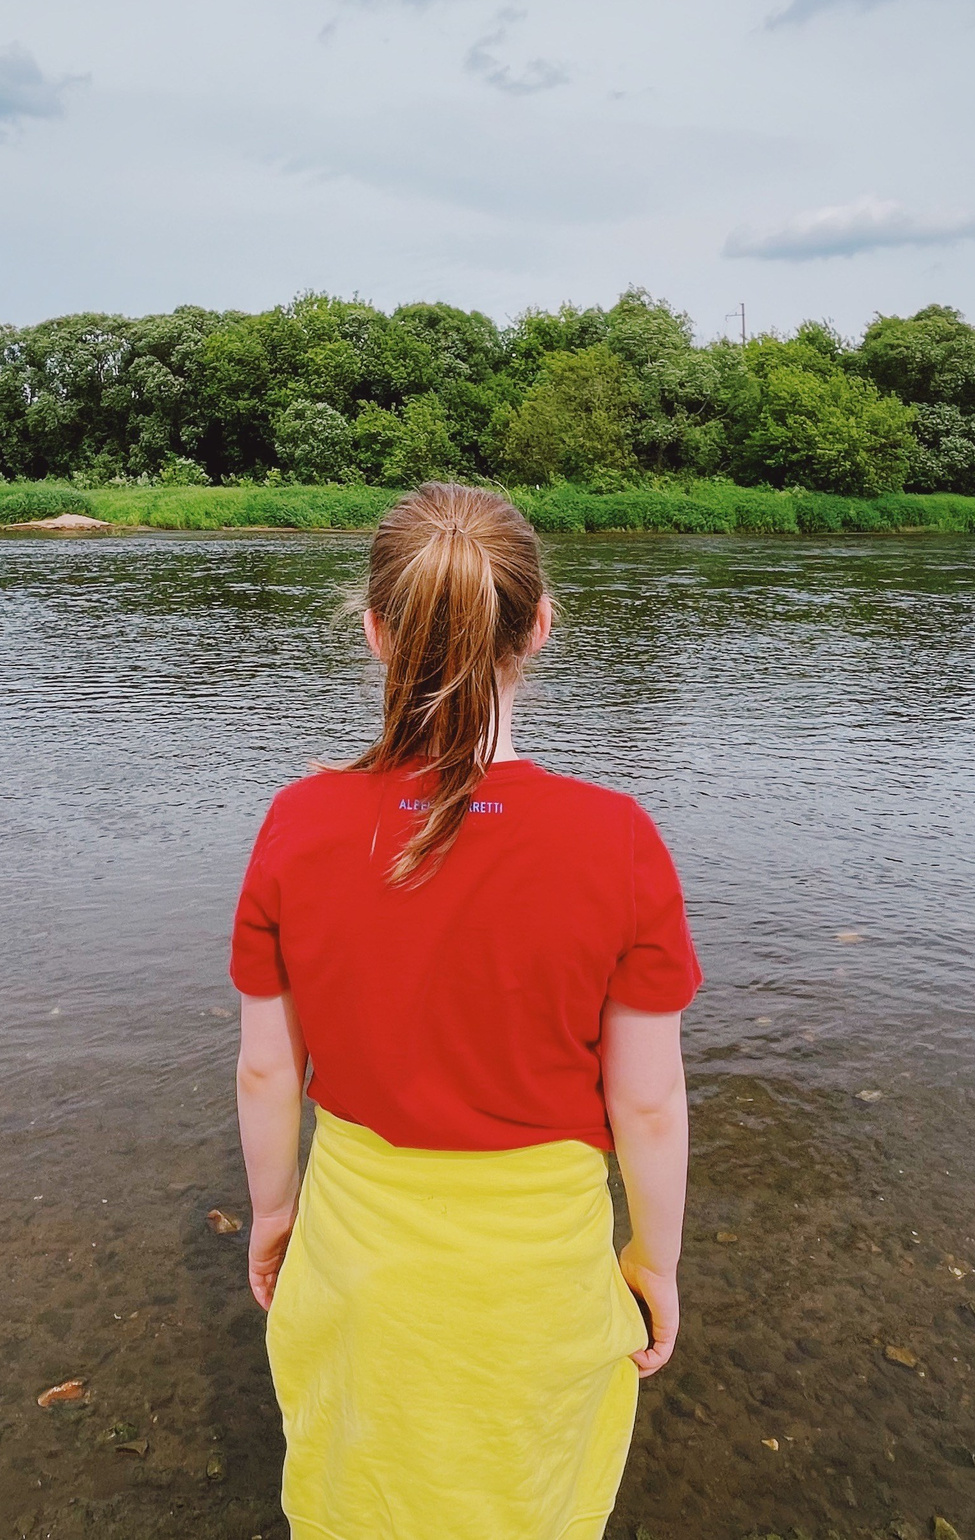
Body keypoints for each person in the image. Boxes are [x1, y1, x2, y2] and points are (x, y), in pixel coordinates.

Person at [228, 482, 702, 1540]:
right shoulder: (616, 838)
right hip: (537, 1279)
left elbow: (267, 1069)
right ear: (539, 627)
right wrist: (654, 1261)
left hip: (358, 1256)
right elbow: (648, 1102)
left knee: (360, 1496)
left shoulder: (299, 821)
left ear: (374, 631)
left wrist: (273, 1216)